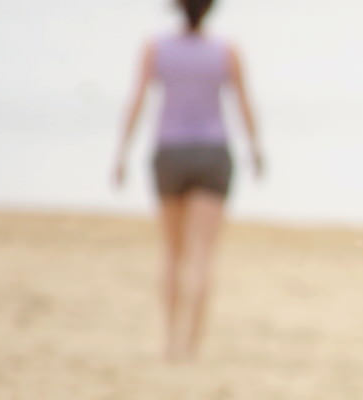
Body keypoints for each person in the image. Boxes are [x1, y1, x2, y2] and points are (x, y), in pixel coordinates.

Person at [109, 0, 260, 363]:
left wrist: (122, 153)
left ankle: (169, 343)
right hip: (212, 153)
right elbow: (243, 104)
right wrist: (256, 149)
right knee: (202, 258)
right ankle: (192, 346)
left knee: (172, 255)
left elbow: (138, 100)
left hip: (170, 152)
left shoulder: (156, 48)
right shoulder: (227, 51)